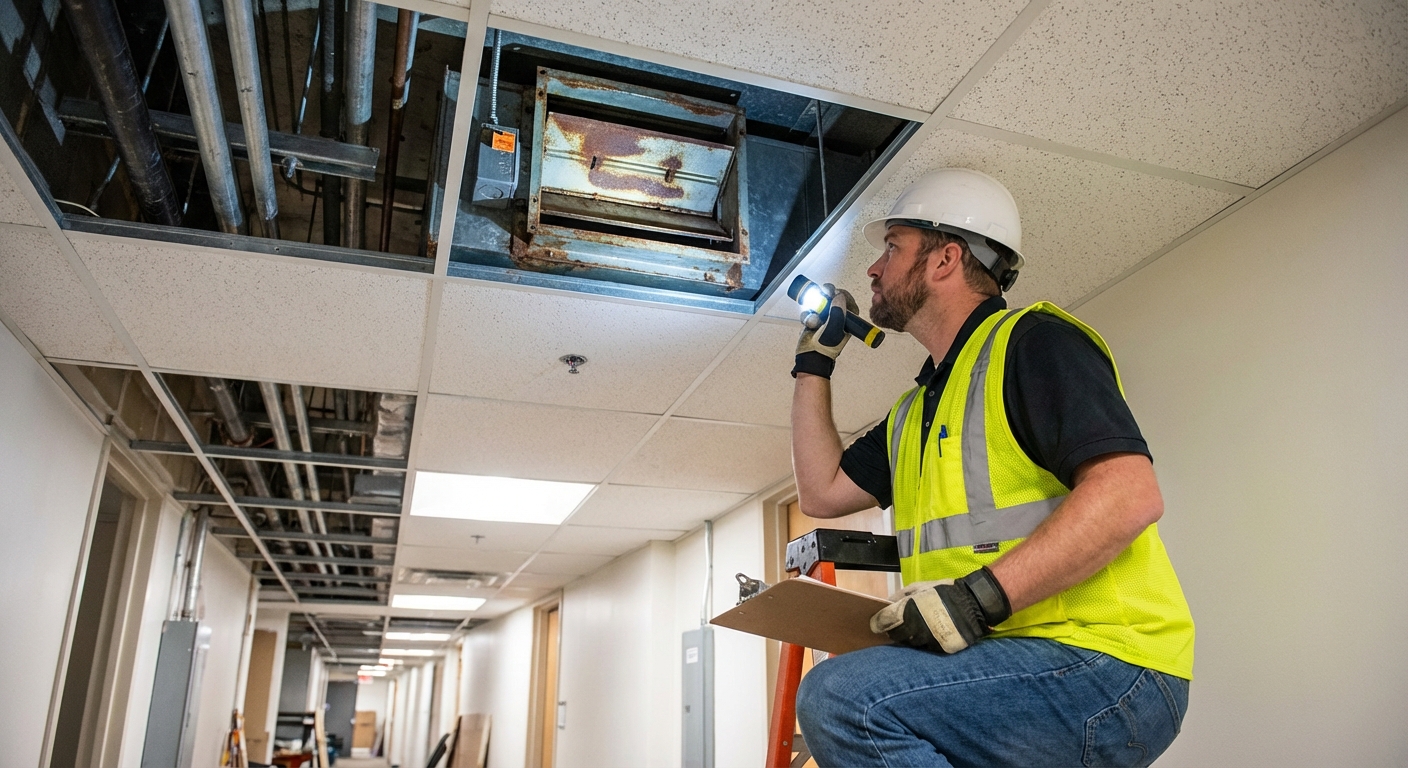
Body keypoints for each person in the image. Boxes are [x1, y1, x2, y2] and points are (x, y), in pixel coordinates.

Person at [789, 168, 1194, 767]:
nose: (873, 269)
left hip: (1106, 660)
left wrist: (974, 602)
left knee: (845, 698)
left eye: (892, 247)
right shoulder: (914, 413)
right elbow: (821, 493)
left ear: (945, 258)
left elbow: (1129, 494)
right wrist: (813, 365)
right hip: (1005, 659)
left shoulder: (1032, 342)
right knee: (861, 690)